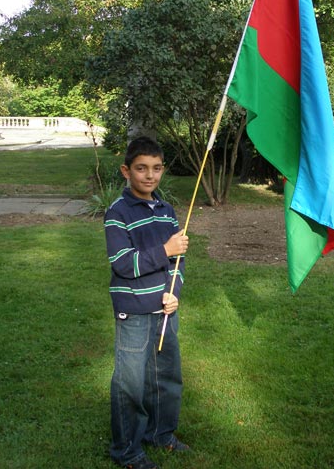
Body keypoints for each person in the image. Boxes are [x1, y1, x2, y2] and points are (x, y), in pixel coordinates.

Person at [104, 136, 190, 469]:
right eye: (141, 169)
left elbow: (178, 262)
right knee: (130, 384)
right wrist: (165, 250)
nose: (149, 176)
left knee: (166, 378)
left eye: (156, 168)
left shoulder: (167, 212)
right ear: (127, 170)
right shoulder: (117, 213)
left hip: (164, 311)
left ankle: (161, 434)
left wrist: (175, 293)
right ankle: (126, 449)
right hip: (134, 314)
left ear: (163, 170)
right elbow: (123, 264)